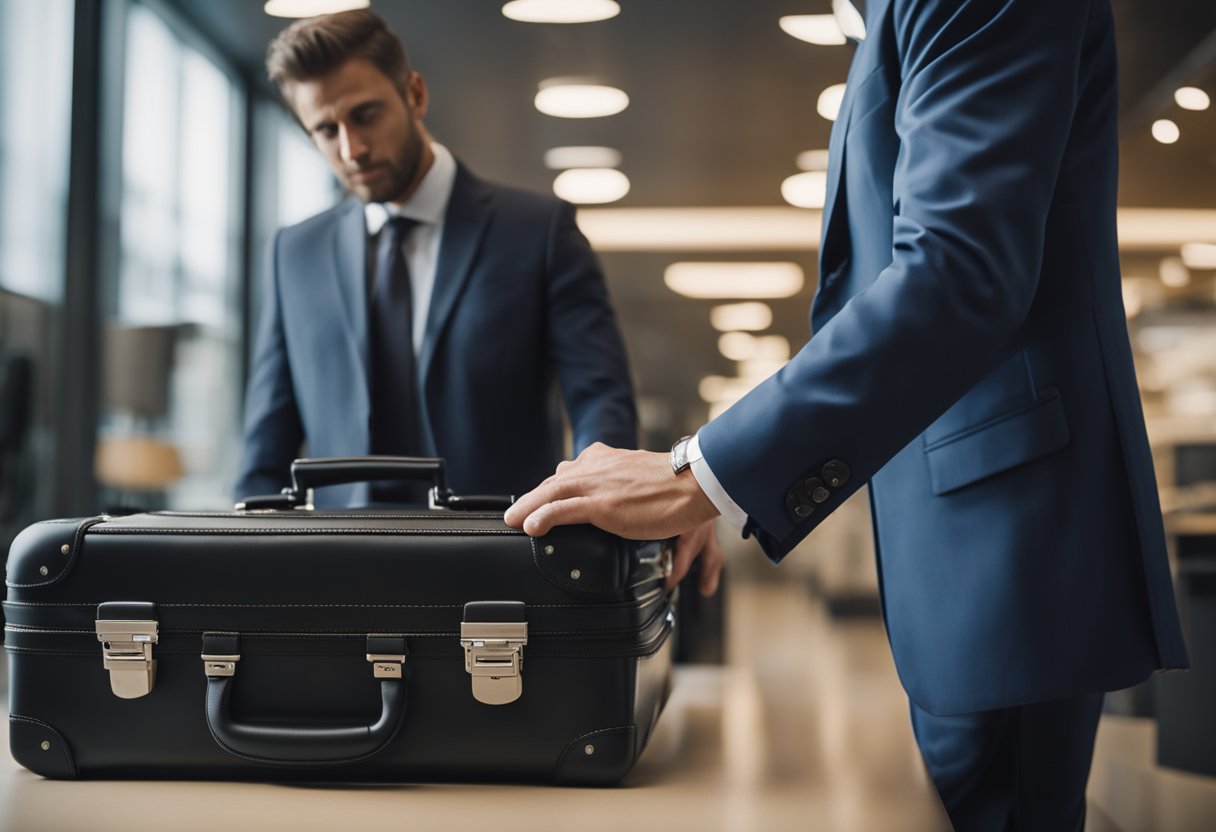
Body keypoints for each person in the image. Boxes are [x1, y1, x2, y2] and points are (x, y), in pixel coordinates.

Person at [505, 0, 1189, 828]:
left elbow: (958, 275)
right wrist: (727, 482)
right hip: (968, 535)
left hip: (1009, 532)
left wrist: (701, 475)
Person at [235, 10, 636, 507]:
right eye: (325, 129)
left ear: (415, 95)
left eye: (365, 115)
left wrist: (590, 514)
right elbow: (265, 451)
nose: (352, 148)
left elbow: (601, 402)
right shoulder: (294, 255)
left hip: (501, 557)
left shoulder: (538, 232)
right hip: (341, 569)